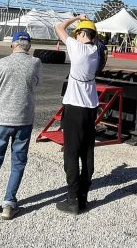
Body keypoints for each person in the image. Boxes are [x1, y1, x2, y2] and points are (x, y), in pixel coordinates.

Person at [0, 31, 41, 220]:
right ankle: (9, 203)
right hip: (24, 119)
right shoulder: (35, 62)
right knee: (18, 162)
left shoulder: (1, 63)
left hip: (1, 119)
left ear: (13, 44)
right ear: (29, 46)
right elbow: (36, 83)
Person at [55, 14, 100, 215]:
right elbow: (94, 38)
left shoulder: (76, 47)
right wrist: (87, 23)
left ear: (81, 34)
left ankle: (72, 199)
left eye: (78, 33)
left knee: (71, 153)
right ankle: (83, 196)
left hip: (74, 107)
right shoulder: (96, 50)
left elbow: (59, 27)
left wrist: (76, 18)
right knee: (87, 152)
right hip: (90, 108)